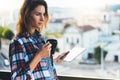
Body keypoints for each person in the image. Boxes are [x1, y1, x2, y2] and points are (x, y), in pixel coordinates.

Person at [9, 0, 68, 80]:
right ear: (27, 15)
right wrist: (39, 55)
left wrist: (54, 60)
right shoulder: (17, 43)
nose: (42, 18)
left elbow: (37, 67)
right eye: (38, 14)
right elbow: (18, 78)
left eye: (43, 14)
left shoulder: (40, 39)